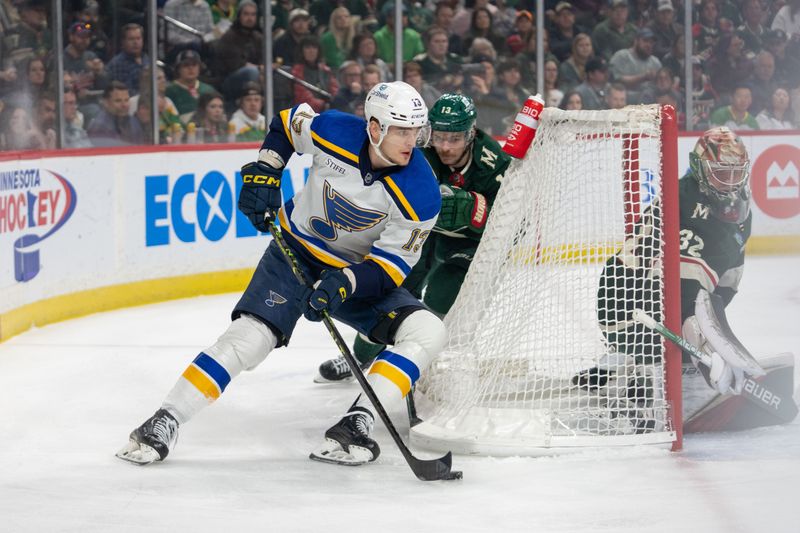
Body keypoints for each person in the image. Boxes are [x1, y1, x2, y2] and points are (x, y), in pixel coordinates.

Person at [116, 81, 445, 467]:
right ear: (374, 128)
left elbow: (392, 266)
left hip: (358, 274)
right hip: (295, 254)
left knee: (428, 331)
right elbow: (287, 124)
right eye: (402, 130)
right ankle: (165, 419)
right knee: (250, 338)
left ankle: (358, 422)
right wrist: (267, 170)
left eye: (416, 131)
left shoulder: (422, 191)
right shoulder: (335, 130)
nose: (412, 141)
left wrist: (347, 282)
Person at [576, 127, 793, 429]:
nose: (729, 181)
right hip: (626, 302)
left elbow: (729, 277)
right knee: (669, 324)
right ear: (701, 169)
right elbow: (673, 276)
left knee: (693, 310)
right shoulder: (680, 199)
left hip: (667, 300)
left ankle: (625, 362)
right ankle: (630, 366)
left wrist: (712, 322)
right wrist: (697, 329)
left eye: (735, 172)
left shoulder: (740, 207)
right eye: (720, 172)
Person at [315, 93, 510, 383]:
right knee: (395, 291)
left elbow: (511, 221)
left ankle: (410, 355)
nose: (444, 147)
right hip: (422, 233)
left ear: (471, 134)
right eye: (439, 137)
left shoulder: (491, 163)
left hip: (468, 243)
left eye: (454, 139)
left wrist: (476, 212)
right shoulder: (416, 152)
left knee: (441, 294)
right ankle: (360, 357)